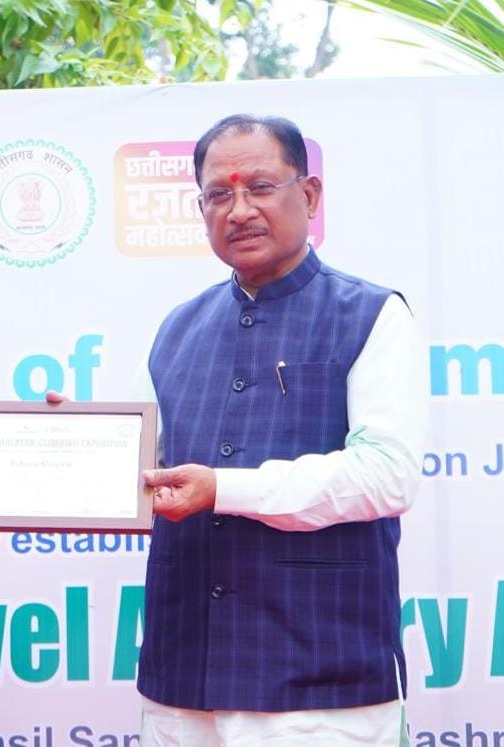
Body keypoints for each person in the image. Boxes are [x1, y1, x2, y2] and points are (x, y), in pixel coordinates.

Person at [137, 114, 426, 746]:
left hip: (322, 684)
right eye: (219, 194)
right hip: (182, 680)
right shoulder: (178, 329)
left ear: (310, 196)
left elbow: (387, 475)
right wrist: (71, 445)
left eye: (261, 187)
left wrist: (224, 488)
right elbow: (147, 473)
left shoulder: (371, 315)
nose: (239, 210)